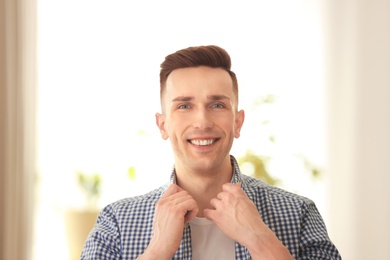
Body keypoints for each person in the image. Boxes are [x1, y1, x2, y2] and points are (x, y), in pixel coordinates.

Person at [81, 45, 341, 259]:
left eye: (217, 104)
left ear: (237, 122)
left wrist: (260, 239)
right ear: (163, 125)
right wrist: (158, 249)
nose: (202, 122)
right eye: (184, 106)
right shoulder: (116, 222)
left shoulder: (299, 213)